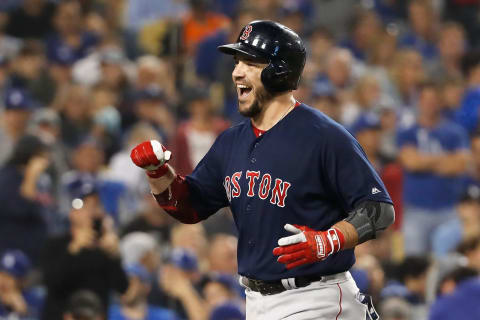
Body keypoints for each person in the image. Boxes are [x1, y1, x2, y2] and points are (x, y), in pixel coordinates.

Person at [130, 20, 395, 319]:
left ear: (279, 71)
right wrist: (157, 172)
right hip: (256, 302)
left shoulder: (324, 137)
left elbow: (378, 209)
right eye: (237, 62)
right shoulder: (231, 141)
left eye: (250, 62)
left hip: (315, 297)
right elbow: (189, 207)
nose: (237, 72)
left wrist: (328, 240)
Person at [41, 185, 128, 320]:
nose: (91, 212)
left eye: (95, 206)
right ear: (72, 213)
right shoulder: (56, 243)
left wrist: (114, 255)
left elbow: (122, 287)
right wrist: (73, 249)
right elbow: (51, 283)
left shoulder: (104, 246)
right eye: (85, 206)